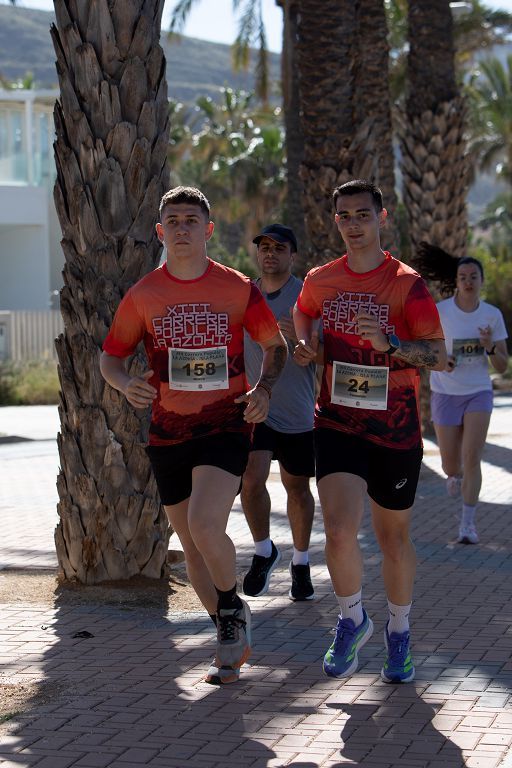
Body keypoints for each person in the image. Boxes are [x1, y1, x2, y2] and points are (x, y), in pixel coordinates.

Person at [100, 186, 287, 686]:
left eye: (191, 220)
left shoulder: (237, 288)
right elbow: (111, 357)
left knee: (205, 525)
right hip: (168, 431)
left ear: (208, 229)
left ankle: (230, 609)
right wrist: (124, 383)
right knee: (190, 543)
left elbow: (276, 346)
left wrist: (265, 389)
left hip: (226, 421)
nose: (182, 228)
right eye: (173, 221)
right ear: (160, 232)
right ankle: (228, 631)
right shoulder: (144, 294)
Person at [293, 179, 446, 684]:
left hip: (395, 429)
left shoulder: (406, 284)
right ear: (335, 221)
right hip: (337, 420)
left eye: (362, 214)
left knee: (392, 538)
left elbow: (437, 354)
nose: (353, 224)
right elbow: (303, 312)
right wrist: (306, 342)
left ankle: (398, 631)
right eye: (344, 215)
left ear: (382, 217)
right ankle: (351, 618)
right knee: (338, 530)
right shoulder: (321, 279)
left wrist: (391, 343)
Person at [242, 224, 317, 602]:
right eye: (264, 247)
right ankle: (263, 551)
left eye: (279, 248)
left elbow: (325, 349)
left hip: (297, 410)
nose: (270, 253)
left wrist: (309, 350)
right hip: (257, 407)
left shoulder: (306, 296)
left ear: (293, 255)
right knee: (251, 480)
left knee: (297, 487)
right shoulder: (244, 294)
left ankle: (301, 563)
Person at [415, 243, 509, 545]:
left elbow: (502, 365)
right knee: (451, 465)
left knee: (472, 458)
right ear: (455, 281)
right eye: (463, 277)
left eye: (473, 276)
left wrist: (489, 346)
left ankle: (467, 525)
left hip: (478, 392)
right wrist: (443, 362)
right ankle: (452, 476)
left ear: (482, 280)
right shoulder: (441, 312)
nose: (468, 281)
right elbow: (425, 350)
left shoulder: (492, 315)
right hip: (445, 392)